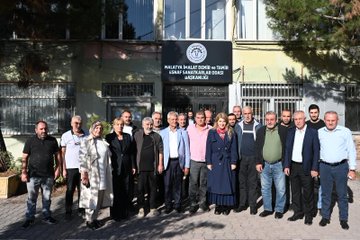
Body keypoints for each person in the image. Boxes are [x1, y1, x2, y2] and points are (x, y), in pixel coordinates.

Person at [318, 111, 357, 230]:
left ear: (337, 120)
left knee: (342, 195)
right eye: (328, 120)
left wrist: (352, 169)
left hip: (341, 167)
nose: (330, 123)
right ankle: (325, 216)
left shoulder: (345, 131)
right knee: (325, 193)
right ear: (324, 120)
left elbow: (351, 150)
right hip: (324, 167)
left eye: (333, 120)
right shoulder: (319, 132)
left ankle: (343, 219)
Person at [21, 120, 61, 228]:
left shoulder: (52, 140)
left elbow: (58, 157)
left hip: (48, 175)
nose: (44, 131)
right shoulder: (30, 141)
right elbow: (24, 157)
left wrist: (58, 169)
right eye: (41, 129)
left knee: (47, 197)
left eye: (45, 128)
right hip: (33, 176)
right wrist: (24, 172)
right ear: (36, 130)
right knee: (31, 198)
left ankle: (47, 216)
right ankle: (30, 218)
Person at [283, 110, 320, 225]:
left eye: (300, 119)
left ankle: (308, 215)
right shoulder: (291, 131)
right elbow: (287, 150)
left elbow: (316, 152)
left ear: (304, 119)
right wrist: (286, 165)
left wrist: (315, 168)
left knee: (308, 192)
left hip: (307, 167)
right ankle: (298, 212)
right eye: (296, 119)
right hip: (293, 166)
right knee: (295, 192)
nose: (298, 121)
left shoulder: (312, 132)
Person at [79, 121, 113, 230]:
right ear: (92, 129)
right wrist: (84, 174)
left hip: (103, 173)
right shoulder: (86, 141)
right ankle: (89, 220)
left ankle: (94, 218)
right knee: (91, 197)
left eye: (100, 129)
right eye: (96, 128)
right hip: (91, 174)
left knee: (100, 197)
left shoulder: (103, 142)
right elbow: (82, 159)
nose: (98, 130)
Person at [255, 111, 287, 219]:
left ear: (276, 120)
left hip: (279, 164)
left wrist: (286, 163)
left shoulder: (282, 130)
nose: (269, 122)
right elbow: (257, 148)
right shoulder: (261, 131)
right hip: (265, 165)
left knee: (281, 188)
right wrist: (258, 162)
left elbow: (287, 148)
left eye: (271, 119)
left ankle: (279, 209)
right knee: (265, 188)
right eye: (267, 119)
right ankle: (268, 209)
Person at [206, 113, 238, 215]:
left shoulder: (231, 132)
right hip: (215, 160)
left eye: (224, 121)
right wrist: (209, 162)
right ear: (216, 122)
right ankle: (218, 206)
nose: (222, 123)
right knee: (216, 184)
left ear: (227, 122)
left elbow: (234, 149)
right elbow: (208, 148)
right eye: (220, 121)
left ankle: (226, 206)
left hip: (227, 161)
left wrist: (234, 162)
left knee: (227, 184)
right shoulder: (212, 132)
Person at [105, 117, 136, 221]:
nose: (120, 126)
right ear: (113, 126)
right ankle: (115, 214)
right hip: (115, 167)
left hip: (127, 167)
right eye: (117, 124)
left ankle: (125, 212)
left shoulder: (128, 136)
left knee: (126, 189)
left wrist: (133, 166)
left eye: (121, 124)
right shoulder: (109, 137)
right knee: (116, 190)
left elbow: (131, 152)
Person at [160, 111, 190, 214]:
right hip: (167, 162)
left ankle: (177, 205)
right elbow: (160, 150)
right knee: (167, 185)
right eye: (172, 119)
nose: (174, 121)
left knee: (178, 185)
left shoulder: (183, 132)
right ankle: (168, 205)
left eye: (175, 119)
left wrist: (187, 165)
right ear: (168, 120)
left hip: (178, 162)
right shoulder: (163, 133)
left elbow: (187, 150)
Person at [133, 117, 164, 218]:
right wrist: (133, 166)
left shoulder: (157, 136)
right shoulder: (137, 135)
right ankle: (141, 208)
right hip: (140, 168)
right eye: (147, 124)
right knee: (140, 189)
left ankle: (152, 207)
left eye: (151, 124)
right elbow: (133, 152)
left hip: (152, 167)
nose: (149, 126)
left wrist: (160, 164)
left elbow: (160, 151)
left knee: (153, 188)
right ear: (142, 125)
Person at [234, 106, 262, 215]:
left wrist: (258, 160)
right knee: (242, 182)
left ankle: (253, 205)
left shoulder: (258, 126)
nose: (247, 115)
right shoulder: (238, 126)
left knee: (253, 183)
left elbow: (260, 144)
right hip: (241, 158)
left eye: (249, 113)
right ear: (242, 114)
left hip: (253, 159)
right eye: (245, 113)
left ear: (252, 113)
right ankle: (242, 204)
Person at [60, 115, 88, 220]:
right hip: (71, 168)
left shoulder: (87, 134)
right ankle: (68, 211)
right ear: (71, 124)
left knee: (83, 190)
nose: (78, 125)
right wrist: (63, 168)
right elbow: (62, 154)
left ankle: (82, 210)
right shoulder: (66, 136)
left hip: (84, 168)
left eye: (80, 123)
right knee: (70, 190)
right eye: (76, 123)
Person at [187, 111, 212, 214]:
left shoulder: (210, 129)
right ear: (195, 118)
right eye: (198, 117)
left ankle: (202, 203)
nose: (200, 119)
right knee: (193, 183)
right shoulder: (190, 128)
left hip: (206, 161)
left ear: (205, 118)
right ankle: (193, 204)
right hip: (194, 160)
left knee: (204, 183)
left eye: (202, 117)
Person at [306, 104, 326, 216]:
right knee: (309, 184)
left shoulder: (323, 124)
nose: (313, 114)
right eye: (312, 112)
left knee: (321, 184)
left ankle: (320, 206)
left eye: (315, 112)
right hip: (309, 158)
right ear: (309, 113)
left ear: (318, 113)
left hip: (321, 157)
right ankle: (311, 206)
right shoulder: (307, 124)